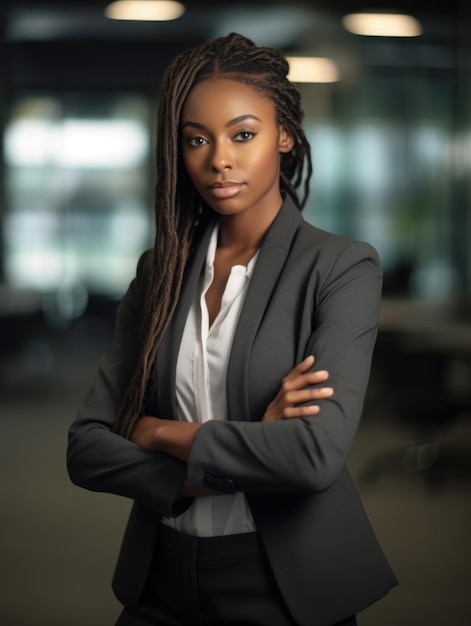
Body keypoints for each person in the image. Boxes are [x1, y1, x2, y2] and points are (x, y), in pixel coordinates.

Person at [67, 32, 397, 626]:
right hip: (160, 580)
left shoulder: (341, 266)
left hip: (281, 585)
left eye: (243, 134)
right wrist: (231, 458)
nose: (219, 159)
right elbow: (88, 448)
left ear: (285, 135)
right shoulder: (161, 271)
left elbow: (313, 454)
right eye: (197, 139)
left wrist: (157, 432)